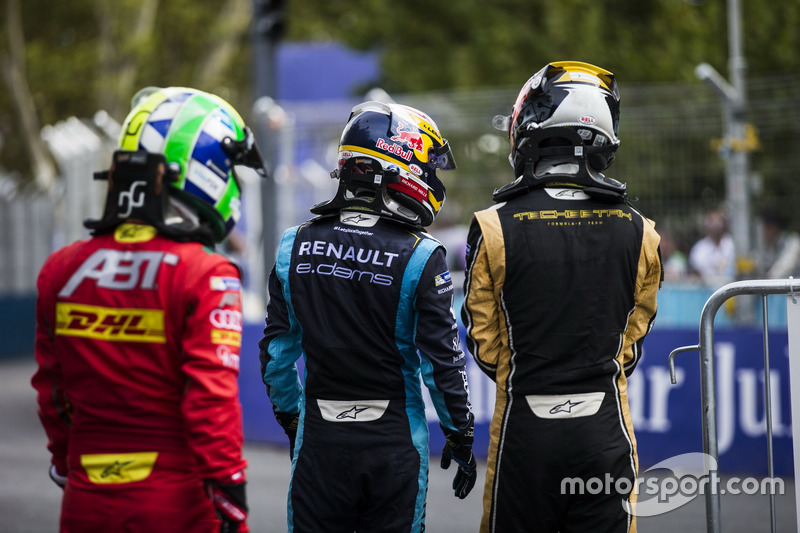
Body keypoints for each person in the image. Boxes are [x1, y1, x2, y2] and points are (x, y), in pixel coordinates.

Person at [32, 86, 267, 532]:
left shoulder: (60, 270)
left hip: (85, 499)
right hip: (176, 502)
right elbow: (209, 400)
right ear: (206, 168)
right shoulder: (207, 272)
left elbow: (53, 395)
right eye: (231, 168)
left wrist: (70, 463)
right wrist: (231, 493)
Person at [461, 61, 662, 533]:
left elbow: (482, 337)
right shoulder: (642, 230)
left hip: (526, 427)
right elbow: (635, 331)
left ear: (530, 126)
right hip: (604, 427)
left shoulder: (492, 225)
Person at [259, 101, 476, 532]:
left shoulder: (292, 244)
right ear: (399, 165)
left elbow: (278, 354)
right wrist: (460, 433)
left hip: (319, 438)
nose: (432, 177)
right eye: (427, 166)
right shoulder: (422, 254)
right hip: (393, 441)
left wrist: (290, 418)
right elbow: (442, 362)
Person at [688, 209, 736, 287]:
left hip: (730, 289)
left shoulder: (731, 245)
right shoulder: (699, 249)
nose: (716, 224)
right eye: (712, 221)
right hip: (706, 290)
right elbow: (698, 272)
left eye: (718, 220)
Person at [757, 208, 800, 279]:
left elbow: (786, 266)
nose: (764, 233)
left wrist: (767, 279)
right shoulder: (770, 249)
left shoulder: (792, 242)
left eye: (768, 228)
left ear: (776, 228)